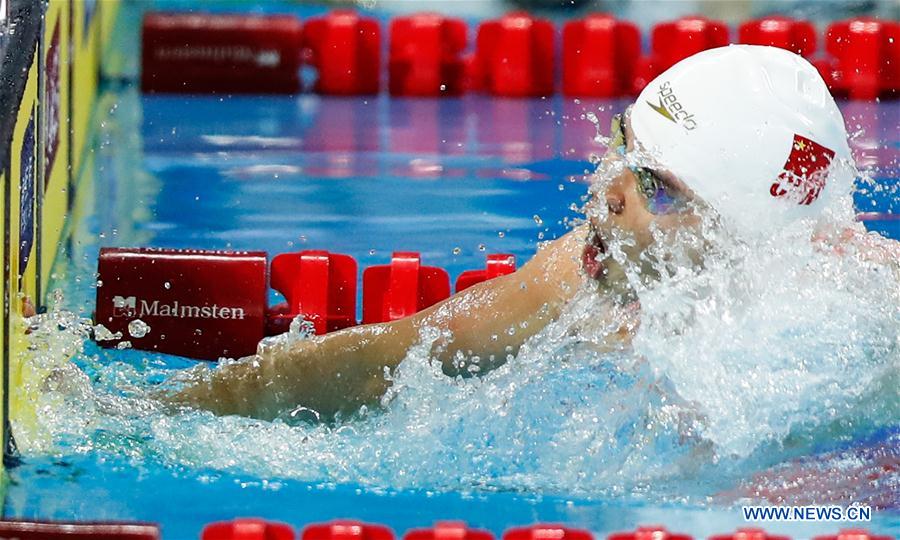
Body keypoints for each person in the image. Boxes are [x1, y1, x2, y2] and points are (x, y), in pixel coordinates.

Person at [168, 45, 898, 421]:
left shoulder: (860, 329)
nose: (604, 190)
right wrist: (142, 415)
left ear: (740, 238)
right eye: (622, 143)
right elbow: (381, 362)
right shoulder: (585, 280)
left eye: (654, 185)